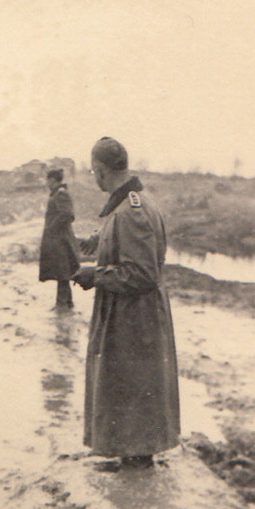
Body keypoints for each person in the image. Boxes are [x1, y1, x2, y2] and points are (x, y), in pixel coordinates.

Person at [71, 137, 180, 470]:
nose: (95, 178)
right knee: (128, 382)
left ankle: (137, 458)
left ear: (102, 171)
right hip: (130, 314)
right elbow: (120, 246)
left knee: (134, 383)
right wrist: (84, 245)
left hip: (136, 317)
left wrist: (96, 276)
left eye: (94, 172)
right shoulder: (128, 205)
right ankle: (127, 452)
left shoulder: (132, 209)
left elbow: (142, 273)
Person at [38, 167, 80, 308]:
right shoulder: (57, 194)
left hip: (61, 240)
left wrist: (51, 229)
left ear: (53, 180)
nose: (47, 183)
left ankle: (62, 306)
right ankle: (66, 303)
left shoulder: (61, 194)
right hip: (59, 239)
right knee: (62, 273)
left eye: (48, 180)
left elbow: (67, 215)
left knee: (62, 273)